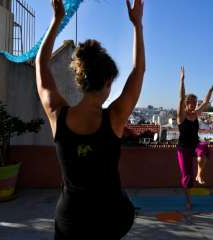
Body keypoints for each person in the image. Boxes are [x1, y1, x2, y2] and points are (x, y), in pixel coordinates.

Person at [35, 0, 145, 239]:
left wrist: (56, 21)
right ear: (107, 84)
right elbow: (138, 70)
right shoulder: (115, 118)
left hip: (70, 223)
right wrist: (137, 25)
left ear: (80, 81)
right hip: (110, 220)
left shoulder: (57, 114)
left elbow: (40, 63)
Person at [177, 66, 213, 209]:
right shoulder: (181, 116)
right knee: (186, 177)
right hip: (183, 149)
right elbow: (180, 98)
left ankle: (199, 175)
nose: (193, 104)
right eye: (190, 102)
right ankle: (188, 200)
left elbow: (205, 103)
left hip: (195, 145)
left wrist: (210, 91)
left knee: (203, 151)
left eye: (194, 102)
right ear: (186, 104)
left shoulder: (196, 114)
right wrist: (182, 80)